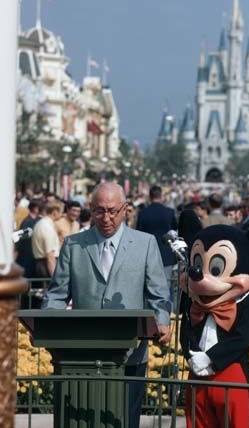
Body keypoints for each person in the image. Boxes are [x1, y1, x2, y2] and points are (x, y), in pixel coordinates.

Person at [42, 183, 171, 428]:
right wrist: (48, 325)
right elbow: (56, 295)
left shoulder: (145, 244)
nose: (106, 218)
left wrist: (162, 321)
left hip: (132, 353)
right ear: (91, 210)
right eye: (99, 211)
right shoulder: (73, 245)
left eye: (113, 211)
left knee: (125, 419)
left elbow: (159, 293)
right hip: (83, 355)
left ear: (125, 210)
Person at [136, 185, 177, 297]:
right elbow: (174, 232)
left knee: (150, 286)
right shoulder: (169, 212)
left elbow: (138, 234)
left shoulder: (143, 213)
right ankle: (166, 312)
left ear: (150, 196)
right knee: (166, 286)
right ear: (161, 195)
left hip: (148, 254)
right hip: (166, 254)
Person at [32, 201, 63, 277]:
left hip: (41, 264)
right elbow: (50, 256)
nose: (62, 215)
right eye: (61, 212)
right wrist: (54, 278)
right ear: (55, 212)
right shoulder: (47, 227)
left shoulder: (41, 223)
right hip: (46, 266)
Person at [15, 200, 41, 278]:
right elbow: (21, 239)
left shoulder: (37, 219)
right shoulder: (27, 221)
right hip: (28, 254)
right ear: (35, 208)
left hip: (33, 253)